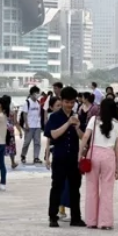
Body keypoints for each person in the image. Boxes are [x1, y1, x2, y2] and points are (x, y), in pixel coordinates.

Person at [45, 86, 85, 228]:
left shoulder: (77, 116)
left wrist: (77, 127)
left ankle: (76, 217)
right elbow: (52, 134)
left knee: (75, 188)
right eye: (67, 102)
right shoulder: (55, 117)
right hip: (60, 157)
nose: (70, 105)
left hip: (73, 158)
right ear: (62, 101)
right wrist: (68, 123)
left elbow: (83, 137)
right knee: (57, 186)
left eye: (72, 102)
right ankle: (53, 216)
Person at [80, 97, 118, 229]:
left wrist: (80, 154)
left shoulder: (93, 120)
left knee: (91, 188)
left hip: (93, 154)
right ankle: (104, 222)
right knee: (107, 190)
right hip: (108, 155)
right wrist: (117, 168)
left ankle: (91, 221)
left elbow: (85, 137)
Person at [20, 85, 44, 164]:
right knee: (27, 142)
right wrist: (26, 124)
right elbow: (24, 114)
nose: (37, 94)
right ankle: (23, 155)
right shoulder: (27, 102)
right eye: (36, 93)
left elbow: (39, 114)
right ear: (32, 94)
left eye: (38, 93)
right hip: (29, 126)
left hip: (37, 126)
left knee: (37, 142)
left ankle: (36, 157)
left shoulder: (38, 103)